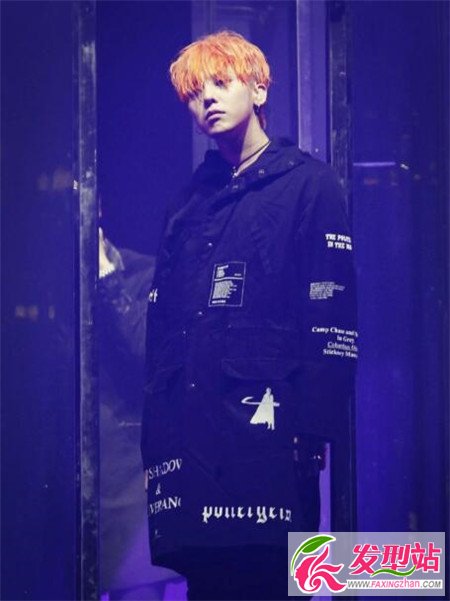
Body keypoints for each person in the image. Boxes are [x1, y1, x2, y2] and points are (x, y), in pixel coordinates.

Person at [141, 30, 357, 600]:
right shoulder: (187, 205)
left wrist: (313, 428)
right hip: (192, 446)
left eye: (221, 82)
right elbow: (163, 329)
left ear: (259, 89)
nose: (207, 98)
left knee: (271, 579)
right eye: (194, 92)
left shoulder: (309, 184)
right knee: (210, 583)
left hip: (267, 440)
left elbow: (331, 311)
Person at [98, 230, 185, 600]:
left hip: (129, 478)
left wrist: (106, 278)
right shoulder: (55, 282)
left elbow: (145, 350)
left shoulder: (143, 274)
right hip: (80, 472)